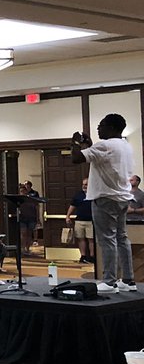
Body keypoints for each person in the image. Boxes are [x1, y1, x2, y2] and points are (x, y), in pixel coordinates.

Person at [72, 114, 137, 292]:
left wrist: (75, 143)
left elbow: (76, 158)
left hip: (105, 198)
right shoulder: (125, 145)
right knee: (122, 238)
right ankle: (128, 280)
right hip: (123, 198)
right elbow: (99, 157)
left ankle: (109, 281)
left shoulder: (105, 145)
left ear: (112, 128)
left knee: (107, 240)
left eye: (101, 125)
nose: (98, 128)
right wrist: (89, 145)